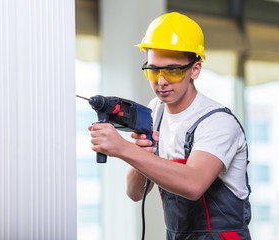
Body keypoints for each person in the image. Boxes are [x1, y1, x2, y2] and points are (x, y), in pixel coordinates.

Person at [88, 12, 251, 240]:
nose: (161, 81)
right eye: (153, 70)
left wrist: (122, 148)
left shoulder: (218, 122)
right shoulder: (156, 110)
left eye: (172, 70)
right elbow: (135, 193)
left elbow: (194, 184)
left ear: (195, 69)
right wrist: (139, 153)